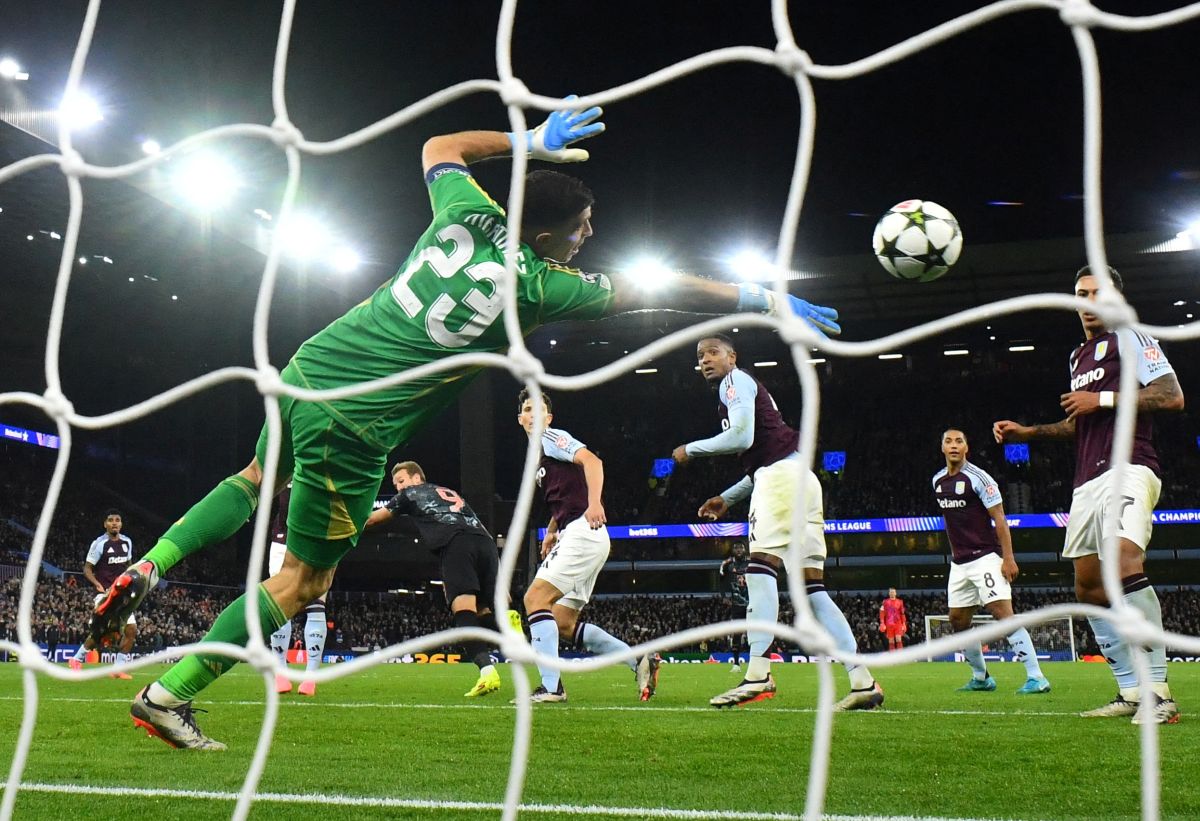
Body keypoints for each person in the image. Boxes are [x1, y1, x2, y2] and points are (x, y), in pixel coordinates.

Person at [92, 100, 840, 749]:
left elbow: (437, 148)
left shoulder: (464, 208)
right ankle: (168, 695)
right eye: (582, 230)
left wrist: (533, 139)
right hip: (355, 425)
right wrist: (752, 294)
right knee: (303, 578)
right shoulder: (546, 284)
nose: (587, 238)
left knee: (256, 478)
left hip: (311, 365)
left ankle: (152, 560)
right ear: (550, 241)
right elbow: (659, 288)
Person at [994, 265, 1184, 725]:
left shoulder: (1134, 338)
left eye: (1098, 293)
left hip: (1129, 465)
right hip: (1086, 479)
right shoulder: (1078, 356)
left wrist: (1102, 400)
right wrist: (1030, 431)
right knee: (1088, 586)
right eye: (1081, 294)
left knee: (1122, 566)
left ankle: (1160, 692)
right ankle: (1130, 691)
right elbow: (1079, 423)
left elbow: (1171, 395)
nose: (1088, 302)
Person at [674, 334, 882, 711]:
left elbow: (741, 436)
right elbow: (768, 453)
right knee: (813, 588)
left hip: (782, 480)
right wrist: (729, 497)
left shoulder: (734, 382)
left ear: (732, 356)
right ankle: (861, 680)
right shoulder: (747, 389)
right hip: (801, 478)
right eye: (700, 355)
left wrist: (692, 449)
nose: (705, 359)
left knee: (759, 569)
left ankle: (758, 673)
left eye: (713, 352)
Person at [518, 389, 659, 703]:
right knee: (563, 623)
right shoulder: (539, 455)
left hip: (584, 531)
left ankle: (552, 688)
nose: (533, 415)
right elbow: (565, 498)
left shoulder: (551, 437)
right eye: (528, 410)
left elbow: (592, 462)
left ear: (549, 418)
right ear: (520, 419)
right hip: (579, 533)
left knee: (534, 598)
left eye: (539, 410)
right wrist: (553, 530)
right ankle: (639, 659)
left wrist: (595, 504)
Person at [364, 460, 506, 698]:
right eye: (396, 484)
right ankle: (521, 638)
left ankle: (487, 672)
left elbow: (373, 520)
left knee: (463, 612)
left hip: (457, 544)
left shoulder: (411, 493)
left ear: (417, 478)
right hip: (486, 543)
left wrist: (341, 523)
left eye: (401, 481)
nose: (399, 487)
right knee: (483, 611)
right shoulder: (446, 491)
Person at [933, 429, 1050, 694]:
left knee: (1003, 615)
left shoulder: (979, 478)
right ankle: (981, 677)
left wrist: (1008, 558)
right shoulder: (937, 481)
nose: (953, 446)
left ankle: (1036, 677)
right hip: (959, 563)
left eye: (959, 441)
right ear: (942, 448)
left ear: (966, 447)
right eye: (948, 441)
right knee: (958, 620)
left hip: (985, 558)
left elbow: (999, 518)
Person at [265, 483, 328, 697]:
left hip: (285, 538)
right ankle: (309, 678)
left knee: (282, 602)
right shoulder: (326, 461)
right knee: (316, 602)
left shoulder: (288, 459)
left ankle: (281, 675)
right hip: (317, 537)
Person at [69, 509, 134, 679]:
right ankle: (77, 659)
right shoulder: (99, 544)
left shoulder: (127, 542)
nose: (114, 523)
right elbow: (87, 568)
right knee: (103, 631)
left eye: (117, 520)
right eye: (111, 520)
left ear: (121, 523)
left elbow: (128, 565)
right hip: (105, 593)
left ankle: (117, 668)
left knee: (131, 630)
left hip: (123, 594)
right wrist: (97, 584)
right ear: (105, 524)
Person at [719, 542, 750, 669]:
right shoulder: (727, 564)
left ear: (745, 549)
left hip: (751, 602)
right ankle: (736, 663)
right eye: (736, 547)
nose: (738, 550)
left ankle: (755, 662)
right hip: (737, 604)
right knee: (737, 632)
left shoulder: (751, 562)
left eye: (741, 547)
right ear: (732, 550)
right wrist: (724, 596)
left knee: (754, 632)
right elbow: (721, 581)